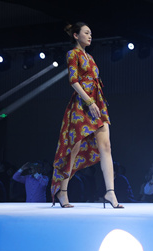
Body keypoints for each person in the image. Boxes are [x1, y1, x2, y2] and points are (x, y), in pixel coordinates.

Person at [50, 22, 123, 208]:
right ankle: (63, 191)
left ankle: (110, 192)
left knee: (106, 146)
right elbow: (73, 80)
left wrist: (95, 102)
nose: (90, 36)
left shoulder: (90, 57)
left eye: (91, 33)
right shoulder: (72, 54)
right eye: (86, 33)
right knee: (74, 147)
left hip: (98, 103)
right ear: (76, 35)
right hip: (82, 104)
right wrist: (89, 102)